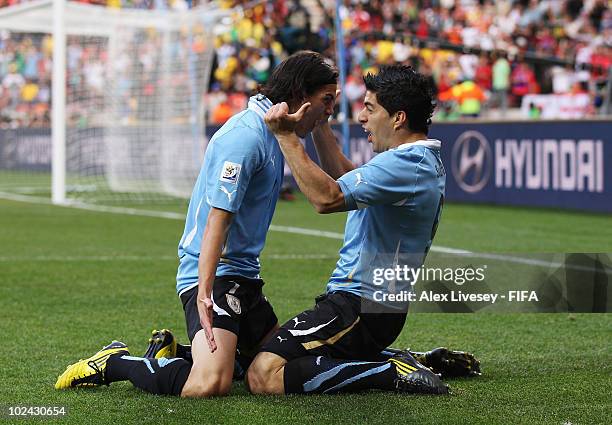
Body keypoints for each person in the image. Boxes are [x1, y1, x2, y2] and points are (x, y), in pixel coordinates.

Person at [54, 51, 339, 397]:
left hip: (244, 279)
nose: (331, 110)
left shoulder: (278, 132)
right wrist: (203, 293)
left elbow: (335, 177)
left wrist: (320, 115)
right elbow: (216, 222)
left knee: (269, 370)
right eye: (326, 101)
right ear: (298, 95)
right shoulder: (246, 137)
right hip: (215, 274)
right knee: (209, 384)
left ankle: (173, 355)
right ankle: (114, 361)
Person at [246, 65, 476, 395]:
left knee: (263, 374)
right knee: (276, 355)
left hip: (359, 305)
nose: (362, 119)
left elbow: (327, 197)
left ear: (398, 118)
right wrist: (320, 127)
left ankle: (390, 370)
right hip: (374, 307)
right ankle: (406, 359)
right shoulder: (412, 161)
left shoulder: (408, 164)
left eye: (370, 109)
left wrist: (286, 137)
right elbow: (343, 178)